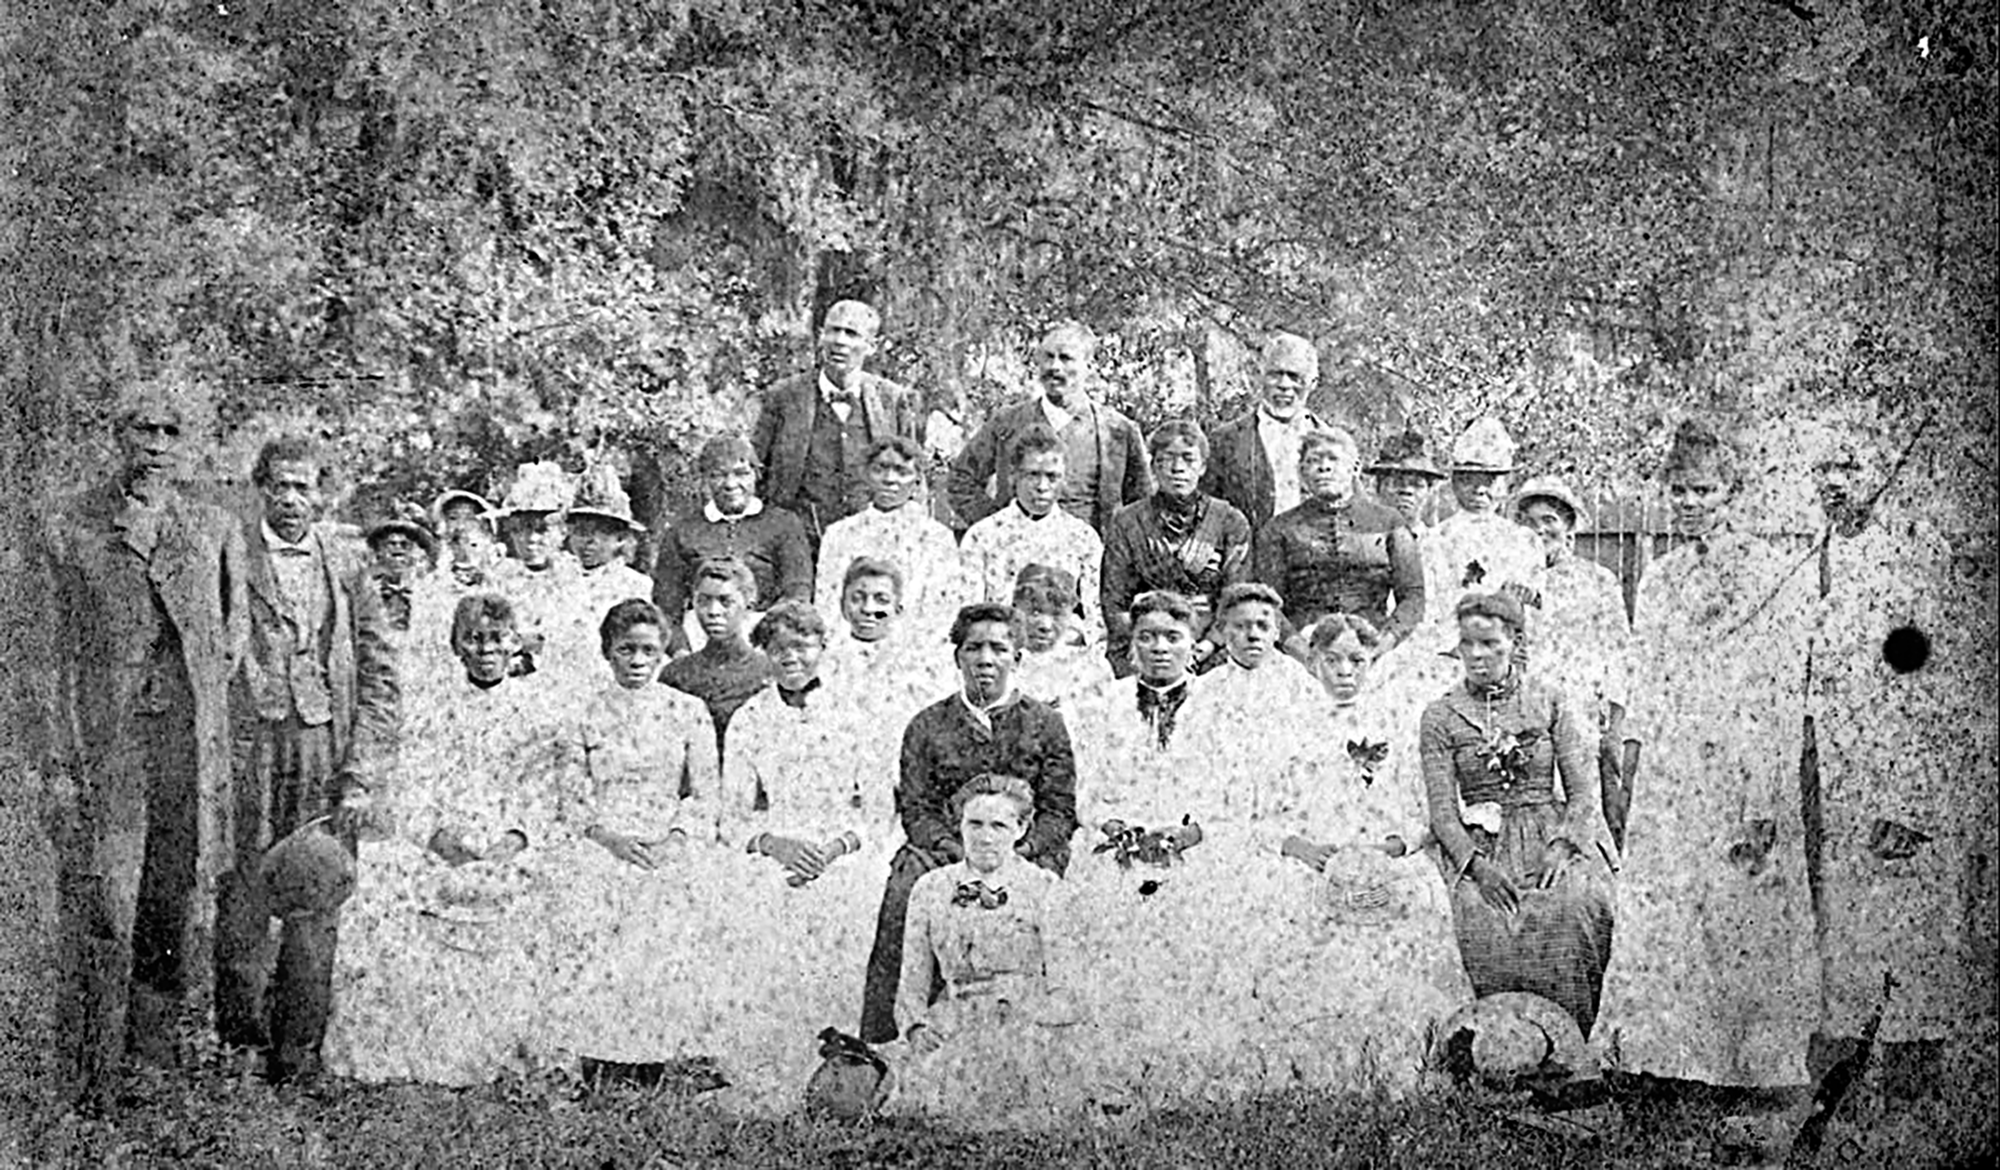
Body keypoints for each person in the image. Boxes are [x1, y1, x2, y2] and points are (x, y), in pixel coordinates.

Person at [38, 384, 247, 1110]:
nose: (157, 444)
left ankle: (151, 1065)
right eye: (143, 429)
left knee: (170, 900)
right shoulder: (73, 530)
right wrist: (61, 767)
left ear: (187, 443)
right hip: (109, 749)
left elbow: (230, 638)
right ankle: (88, 1079)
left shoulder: (215, 527)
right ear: (118, 436)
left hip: (184, 752)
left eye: (171, 430)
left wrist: (203, 723)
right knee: (102, 904)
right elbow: (49, 658)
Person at [1596, 419, 1818, 1101]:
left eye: (1705, 490)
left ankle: (1750, 1073)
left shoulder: (1769, 574)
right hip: (1672, 765)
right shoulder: (1660, 578)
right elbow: (1645, 674)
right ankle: (1664, 1063)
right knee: (1667, 910)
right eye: (1680, 490)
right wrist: (1629, 756)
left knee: (1738, 909)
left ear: (1733, 493)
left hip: (1739, 762)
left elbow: (1777, 686)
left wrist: (1763, 790)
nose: (1691, 502)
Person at [1797, 417, 1983, 1082]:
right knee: (1847, 932)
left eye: (1849, 467)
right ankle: (1844, 1083)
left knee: (1911, 929)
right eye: (1823, 469)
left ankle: (1911, 1085)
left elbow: (1933, 684)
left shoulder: (1912, 553)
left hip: (1901, 773)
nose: (1834, 483)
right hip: (1839, 769)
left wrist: (1911, 802)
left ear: (1881, 471)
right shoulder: (1822, 552)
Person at [323, 594, 570, 1086]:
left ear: (514, 644)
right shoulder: (434, 711)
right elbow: (417, 784)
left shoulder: (537, 713)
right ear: (457, 646)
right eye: (474, 639)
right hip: (444, 837)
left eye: (497, 639)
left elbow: (543, 792)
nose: (485, 650)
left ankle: (508, 1042)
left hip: (509, 839)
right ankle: (413, 1047)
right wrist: (442, 839)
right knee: (380, 896)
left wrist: (514, 840)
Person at [217, 436, 401, 1084]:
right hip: (250, 744)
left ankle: (298, 1053)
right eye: (280, 486)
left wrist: (361, 772)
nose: (291, 499)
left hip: (322, 747)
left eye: (304, 487)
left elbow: (380, 673)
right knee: (242, 889)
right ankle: (239, 1043)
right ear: (260, 487)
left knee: (316, 891)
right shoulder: (231, 551)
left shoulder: (347, 564)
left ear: (323, 494)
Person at [1255, 613, 1469, 1094]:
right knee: (1291, 902)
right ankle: (1318, 1060)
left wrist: (1394, 846)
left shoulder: (1396, 722)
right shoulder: (1288, 725)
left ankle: (1409, 1050)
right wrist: (1298, 846)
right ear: (1313, 663)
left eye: (1357, 661)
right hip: (1317, 855)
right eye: (1332, 661)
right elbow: (1262, 810)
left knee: (1419, 895)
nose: (1345, 672)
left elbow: (1424, 810)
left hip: (1383, 853)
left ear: (1374, 662)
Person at [858, 602, 1079, 1044]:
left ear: (1017, 658)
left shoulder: (1046, 724)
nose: (985, 658)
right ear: (957, 656)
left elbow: (1060, 810)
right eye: (974, 647)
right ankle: (885, 1040)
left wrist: (1020, 851)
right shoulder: (926, 726)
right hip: (947, 850)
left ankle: (1037, 1031)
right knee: (904, 887)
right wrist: (959, 852)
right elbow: (916, 810)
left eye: (999, 648)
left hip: (1025, 848)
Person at [714, 600, 899, 1109]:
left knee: (853, 901)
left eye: (802, 646)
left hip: (843, 848)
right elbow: (732, 816)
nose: (790, 658)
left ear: (822, 648)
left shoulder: (857, 711)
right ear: (765, 654)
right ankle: (776, 1057)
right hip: (778, 847)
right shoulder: (750, 718)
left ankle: (843, 1062)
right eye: (778, 648)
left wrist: (835, 848)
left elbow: (880, 811)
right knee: (760, 905)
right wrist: (776, 844)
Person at [1419, 591, 1616, 1037]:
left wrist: (1563, 846)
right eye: (1468, 643)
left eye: (1490, 643)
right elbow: (1442, 813)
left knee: (1575, 904)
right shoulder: (1440, 716)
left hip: (1550, 835)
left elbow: (1584, 791)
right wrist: (1478, 868)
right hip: (1483, 844)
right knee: (1476, 911)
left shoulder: (1548, 700)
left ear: (1516, 642)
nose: (1477, 654)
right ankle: (1499, 1046)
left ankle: (1572, 1043)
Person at [551, 598, 722, 1091]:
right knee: (595, 899)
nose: (638, 661)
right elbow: (572, 798)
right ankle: (600, 1052)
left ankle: (661, 1053)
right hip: (602, 838)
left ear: (664, 652)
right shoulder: (582, 712)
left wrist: (675, 838)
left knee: (673, 906)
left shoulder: (687, 711)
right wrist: (611, 839)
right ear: (608, 652)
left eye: (649, 650)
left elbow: (704, 793)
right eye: (626, 649)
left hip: (667, 836)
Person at [892, 774, 1083, 1127]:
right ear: (959, 826)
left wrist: (1031, 1013)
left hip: (1023, 1023)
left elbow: (1068, 991)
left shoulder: (1043, 888)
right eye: (974, 824)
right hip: (954, 1021)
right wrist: (917, 1028)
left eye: (998, 825)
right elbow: (913, 981)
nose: (985, 836)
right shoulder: (930, 888)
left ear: (1022, 828)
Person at [1511, 476, 1633, 847]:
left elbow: (1620, 655)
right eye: (1528, 522)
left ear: (1568, 528)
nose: (1539, 529)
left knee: (1592, 815)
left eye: (1549, 519)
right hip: (1527, 717)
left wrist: (1615, 723)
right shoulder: (1510, 582)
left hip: (1582, 714)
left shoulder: (1597, 580)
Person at [947, 321, 1151, 535]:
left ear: (1088, 366)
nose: (1054, 367)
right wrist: (997, 526)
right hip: (1018, 552)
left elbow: (1143, 504)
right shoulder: (1007, 422)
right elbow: (961, 480)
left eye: (1065, 358)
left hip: (1091, 556)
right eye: (1048, 357)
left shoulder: (1119, 431)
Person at [750, 299, 921, 548]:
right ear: (821, 337)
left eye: (851, 334)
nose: (839, 341)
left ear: (871, 346)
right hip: (799, 541)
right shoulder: (784, 396)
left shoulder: (891, 399)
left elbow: (913, 474)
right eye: (833, 330)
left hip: (872, 538)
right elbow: (756, 469)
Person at [1100, 419, 1253, 677]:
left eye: (1188, 459)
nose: (1177, 468)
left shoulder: (1229, 520)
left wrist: (1205, 646)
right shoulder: (1127, 522)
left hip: (1210, 646)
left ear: (1203, 467)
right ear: (1153, 467)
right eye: (1167, 458)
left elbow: (1236, 599)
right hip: (1145, 645)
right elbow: (1114, 603)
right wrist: (1146, 646)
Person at [1253, 428, 1425, 655]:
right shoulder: (1279, 529)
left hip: (1373, 644)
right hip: (1303, 649)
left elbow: (1412, 596)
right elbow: (1268, 603)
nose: (1324, 467)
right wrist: (1301, 652)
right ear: (1302, 472)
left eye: (1333, 458)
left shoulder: (1389, 523)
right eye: (1314, 461)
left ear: (1354, 468)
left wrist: (1382, 646)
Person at [1173, 583, 1328, 826]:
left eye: (1263, 626)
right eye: (1241, 626)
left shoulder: (1303, 689)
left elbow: (1320, 762)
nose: (1253, 635)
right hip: (1221, 821)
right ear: (1224, 633)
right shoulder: (1203, 692)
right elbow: (1188, 766)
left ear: (1276, 633)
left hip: (1291, 819)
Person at [651, 434, 813, 656]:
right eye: (718, 475)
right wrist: (682, 654)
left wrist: (768, 641)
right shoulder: (682, 532)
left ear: (756, 475)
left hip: (765, 639)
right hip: (699, 636)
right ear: (704, 480)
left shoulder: (783, 524)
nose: (730, 484)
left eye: (741, 474)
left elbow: (797, 590)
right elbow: (666, 607)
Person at [1066, 591, 1205, 826]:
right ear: (1132, 643)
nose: (1160, 648)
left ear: (1192, 644)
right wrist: (1108, 824)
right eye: (1147, 637)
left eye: (1173, 638)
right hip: (1117, 832)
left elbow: (1229, 791)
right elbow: (1085, 784)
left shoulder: (1214, 703)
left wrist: (1194, 832)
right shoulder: (1104, 703)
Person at [959, 424, 1106, 645]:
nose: (1042, 486)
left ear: (1064, 479)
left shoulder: (1083, 538)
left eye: (1052, 477)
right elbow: (967, 611)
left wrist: (1077, 636)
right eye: (1033, 475)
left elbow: (1098, 615)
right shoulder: (983, 536)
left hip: (1064, 652)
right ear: (1014, 476)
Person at [813, 436, 965, 636]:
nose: (890, 479)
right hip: (849, 646)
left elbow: (942, 610)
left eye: (902, 471)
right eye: (880, 469)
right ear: (866, 474)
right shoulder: (839, 534)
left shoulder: (936, 537)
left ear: (918, 478)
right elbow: (827, 604)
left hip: (915, 648)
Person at [1201, 333, 1331, 531]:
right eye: (1275, 374)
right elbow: (1204, 515)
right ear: (1258, 377)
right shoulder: (1224, 441)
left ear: (1313, 383)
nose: (1284, 385)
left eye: (1295, 377)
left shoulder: (1333, 443)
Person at [1423, 419, 1544, 629]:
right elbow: (1428, 611)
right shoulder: (1434, 541)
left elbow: (1537, 613)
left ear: (1505, 485)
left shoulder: (1525, 541)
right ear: (1454, 482)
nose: (1479, 490)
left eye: (1490, 480)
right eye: (1469, 479)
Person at [659, 557, 774, 762]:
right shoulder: (675, 675)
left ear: (749, 603)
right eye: (703, 601)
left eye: (725, 601)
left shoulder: (769, 672)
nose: (713, 612)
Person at [818, 556, 955, 727]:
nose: (868, 609)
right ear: (842, 606)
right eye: (857, 598)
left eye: (881, 600)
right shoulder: (822, 661)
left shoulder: (916, 667)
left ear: (897, 610)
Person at [489, 461, 581, 670]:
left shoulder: (572, 577)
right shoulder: (498, 578)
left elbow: (576, 634)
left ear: (561, 533)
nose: (531, 539)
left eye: (542, 530)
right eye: (522, 529)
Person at [1009, 567, 1112, 709]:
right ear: (1015, 609)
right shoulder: (1002, 658)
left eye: (1057, 615)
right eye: (1035, 613)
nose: (1045, 625)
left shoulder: (1080, 664)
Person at [362, 502, 438, 642]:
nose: (398, 549)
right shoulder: (365, 587)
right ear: (379, 551)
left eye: (405, 545)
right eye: (391, 544)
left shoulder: (428, 588)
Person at [1367, 429, 1448, 537]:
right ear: (1378, 487)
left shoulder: (1441, 544)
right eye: (1396, 483)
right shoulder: (1360, 542)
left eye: (1416, 484)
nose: (1406, 491)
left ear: (1429, 491)